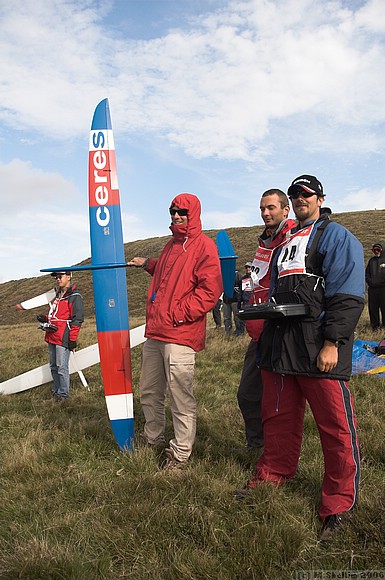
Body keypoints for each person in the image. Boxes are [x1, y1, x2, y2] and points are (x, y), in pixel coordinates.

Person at [236, 175, 365, 545]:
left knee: (335, 428)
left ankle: (337, 504)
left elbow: (348, 296)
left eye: (306, 194)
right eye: (294, 195)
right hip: (280, 350)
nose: (299, 199)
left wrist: (333, 342)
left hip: (317, 350)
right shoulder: (283, 244)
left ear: (321, 198)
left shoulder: (336, 236)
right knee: (277, 420)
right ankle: (271, 476)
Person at [127, 193, 222, 469]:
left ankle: (180, 454)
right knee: (149, 391)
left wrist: (176, 314)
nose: (176, 215)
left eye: (181, 211)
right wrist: (147, 263)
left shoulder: (204, 246)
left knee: (180, 396)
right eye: (172, 211)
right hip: (156, 333)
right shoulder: (171, 246)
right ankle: (153, 438)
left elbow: (210, 292)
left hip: (180, 335)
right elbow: (168, 274)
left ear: (193, 213)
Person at [237, 189, 296, 449]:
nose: (265, 213)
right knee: (248, 394)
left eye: (271, 207)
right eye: (262, 208)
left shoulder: (294, 238)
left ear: (286, 210)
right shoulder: (265, 242)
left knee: (283, 400)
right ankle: (258, 446)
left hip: (286, 332)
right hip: (259, 333)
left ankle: (280, 452)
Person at [37, 271, 84, 401]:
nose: (57, 279)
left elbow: (77, 319)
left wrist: (72, 339)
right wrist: (45, 318)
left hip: (63, 336)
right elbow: (56, 315)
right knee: (53, 365)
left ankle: (63, 395)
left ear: (68, 277)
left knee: (61, 366)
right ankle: (56, 391)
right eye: (55, 277)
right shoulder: (57, 295)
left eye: (60, 276)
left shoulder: (75, 296)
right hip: (52, 335)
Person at [365, 242, 385, 330]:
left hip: (383, 289)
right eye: (374, 250)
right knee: (373, 308)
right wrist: (370, 282)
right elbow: (367, 274)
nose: (376, 252)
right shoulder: (371, 261)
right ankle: (375, 327)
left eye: (378, 250)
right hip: (372, 289)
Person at [222, 269, 244, 336]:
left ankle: (239, 331)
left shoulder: (238, 275)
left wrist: (240, 298)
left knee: (237, 317)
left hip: (235, 299)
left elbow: (242, 287)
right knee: (226, 317)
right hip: (226, 300)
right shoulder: (224, 275)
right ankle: (228, 332)